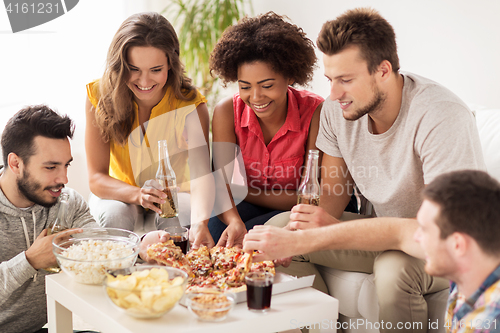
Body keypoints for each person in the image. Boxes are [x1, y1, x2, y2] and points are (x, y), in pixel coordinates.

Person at [261, 7, 486, 332]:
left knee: (394, 269)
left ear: (383, 70)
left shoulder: (441, 116)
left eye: (346, 80)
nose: (334, 94)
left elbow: (437, 232)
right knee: (281, 229)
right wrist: (312, 226)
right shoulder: (337, 111)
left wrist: (327, 234)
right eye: (330, 80)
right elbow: (331, 197)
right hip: (385, 231)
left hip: (442, 242)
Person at [245, 170, 500, 333]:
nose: (416, 236)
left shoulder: (487, 318)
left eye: (424, 229)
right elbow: (399, 233)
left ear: (458, 245)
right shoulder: (468, 279)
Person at [0, 105, 169, 333]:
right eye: (51, 167)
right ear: (15, 164)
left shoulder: (66, 201)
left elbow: (101, 245)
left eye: (66, 165)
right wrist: (30, 261)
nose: (64, 179)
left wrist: (139, 247)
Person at [208, 12, 345, 248]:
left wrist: (245, 192)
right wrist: (234, 220)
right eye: (245, 86)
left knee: (256, 234)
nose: (256, 97)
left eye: (267, 85)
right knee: (217, 228)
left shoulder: (315, 112)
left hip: (299, 208)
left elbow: (309, 198)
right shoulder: (226, 112)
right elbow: (222, 187)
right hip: (259, 203)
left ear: (290, 75)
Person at [85, 12, 215, 248]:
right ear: (120, 65)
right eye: (133, 69)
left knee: (178, 223)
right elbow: (96, 178)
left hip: (175, 195)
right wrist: (138, 195)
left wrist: (200, 223)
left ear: (171, 65)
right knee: (115, 216)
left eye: (156, 69)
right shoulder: (99, 96)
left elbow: (201, 176)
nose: (144, 81)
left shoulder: (190, 105)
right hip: (119, 192)